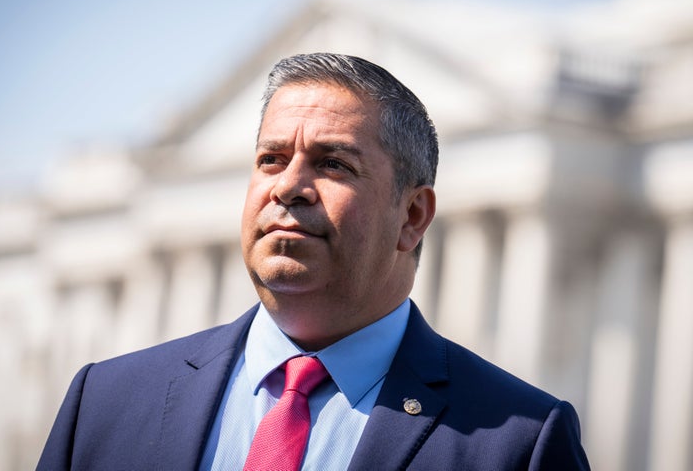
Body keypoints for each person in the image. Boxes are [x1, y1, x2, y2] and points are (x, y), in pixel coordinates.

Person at [37, 53, 590, 470]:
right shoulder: (106, 402)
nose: (289, 187)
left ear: (413, 215)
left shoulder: (519, 441)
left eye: (332, 164)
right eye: (271, 159)